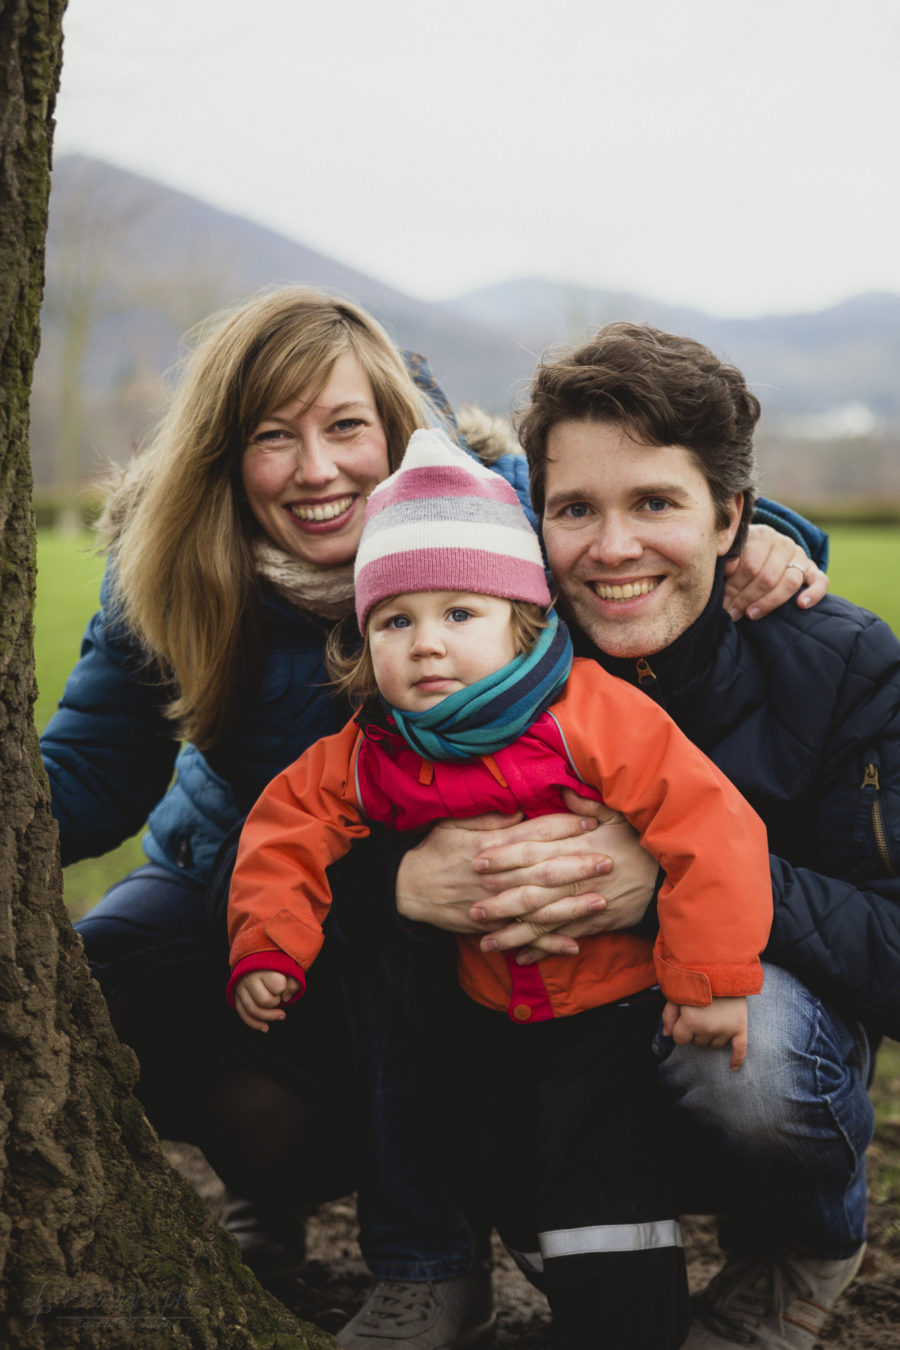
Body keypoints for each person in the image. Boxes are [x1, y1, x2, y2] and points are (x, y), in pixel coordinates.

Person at [39, 283, 826, 1345]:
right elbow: (94, 761)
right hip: (242, 866)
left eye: (347, 427)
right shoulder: (175, 562)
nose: (317, 471)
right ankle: (271, 1179)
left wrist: (765, 532)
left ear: (395, 427)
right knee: (99, 982)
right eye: (274, 438)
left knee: (461, 1007)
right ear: (227, 456)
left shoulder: (488, 510)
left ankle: (442, 1259)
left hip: (482, 895)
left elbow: (624, 522)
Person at [374, 322, 899, 1349]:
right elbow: (326, 815)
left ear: (730, 517)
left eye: (656, 503)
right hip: (554, 1041)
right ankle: (505, 1248)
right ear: (536, 522)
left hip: (734, 1051)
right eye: (576, 509)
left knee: (758, 1053)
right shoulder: (486, 655)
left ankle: (804, 1245)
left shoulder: (843, 667)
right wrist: (398, 880)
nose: (612, 549)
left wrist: (678, 877)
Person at [226, 425, 772, 1349]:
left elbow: (710, 826)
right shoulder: (374, 749)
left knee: (609, 1198)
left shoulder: (589, 714)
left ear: (522, 622)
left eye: (459, 615)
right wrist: (268, 945)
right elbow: (284, 833)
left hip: (608, 1013)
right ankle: (535, 1273)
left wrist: (711, 976)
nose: (426, 645)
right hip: (477, 1016)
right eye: (396, 622)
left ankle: (631, 1321)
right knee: (503, 1172)